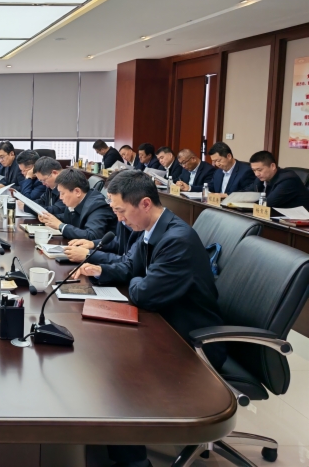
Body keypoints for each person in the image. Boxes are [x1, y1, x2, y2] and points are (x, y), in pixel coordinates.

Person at [74, 169, 225, 467]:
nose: (118, 219)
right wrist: (101, 270)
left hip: (191, 338)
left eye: (120, 210)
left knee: (118, 373)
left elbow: (144, 293)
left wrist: (135, 278)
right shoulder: (151, 229)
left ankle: (133, 461)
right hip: (165, 321)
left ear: (144, 203)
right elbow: (130, 266)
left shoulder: (176, 240)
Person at [36, 168, 116, 240]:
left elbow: (92, 235)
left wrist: (60, 226)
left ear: (77, 192)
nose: (60, 197)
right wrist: (50, 218)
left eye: (62, 193)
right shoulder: (76, 201)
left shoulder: (97, 205)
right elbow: (70, 217)